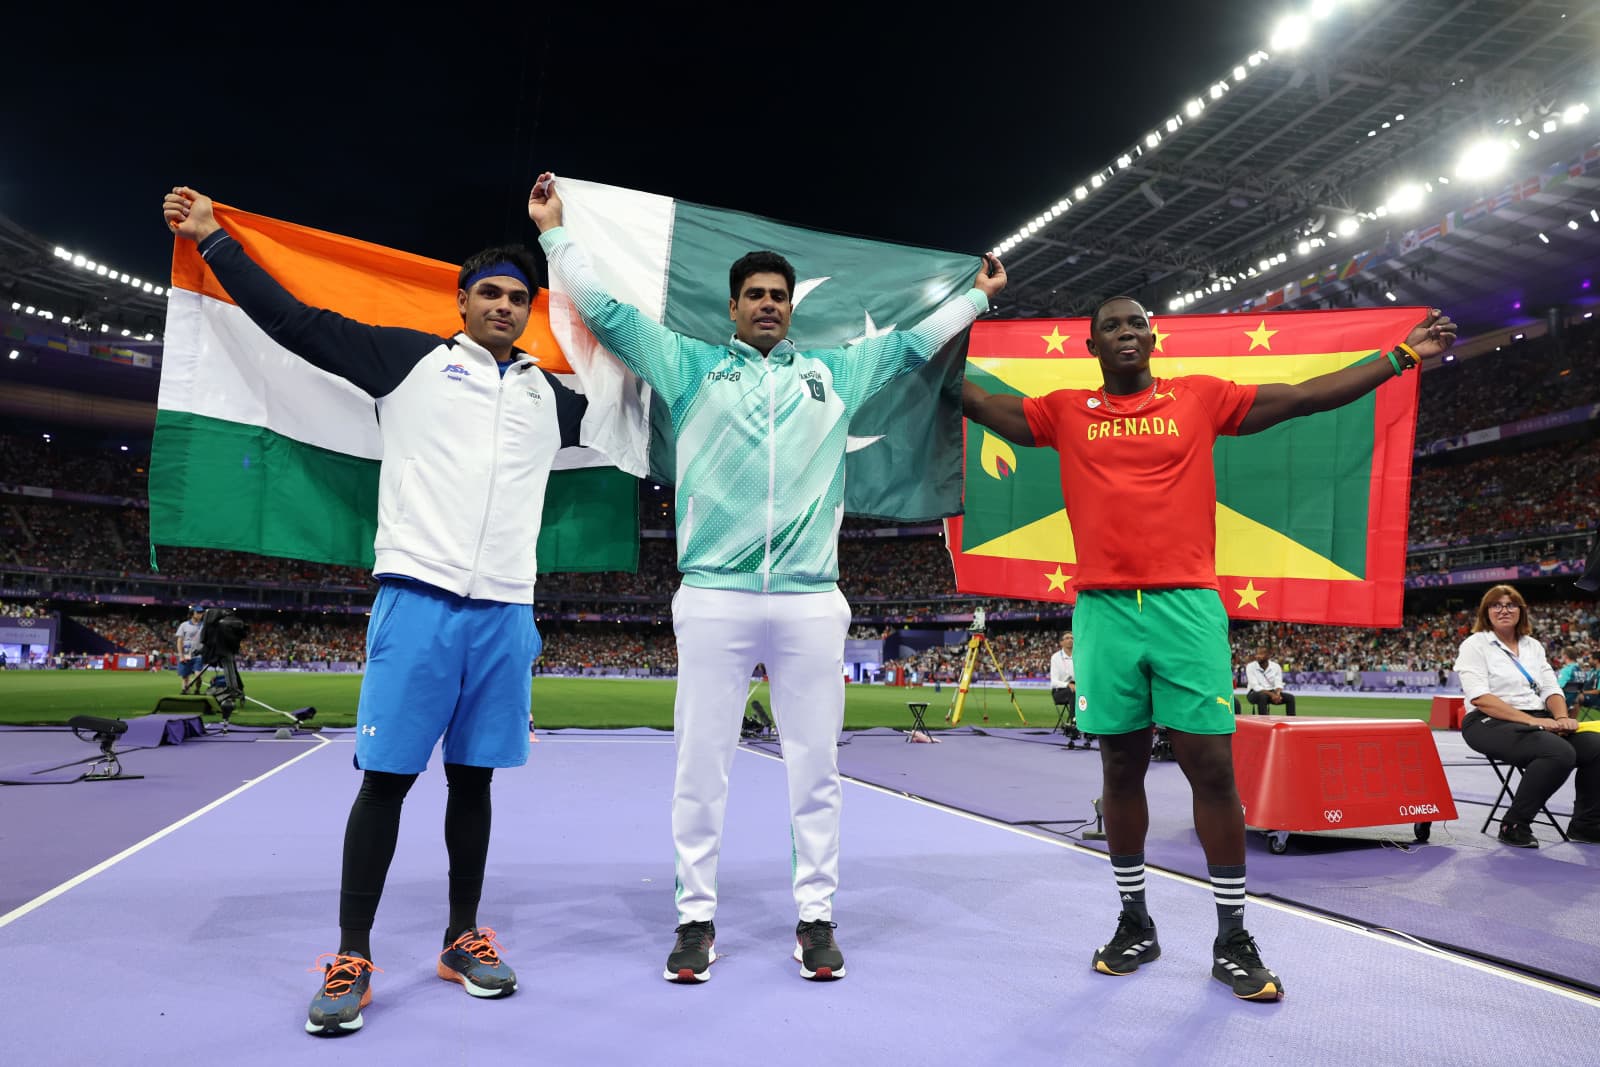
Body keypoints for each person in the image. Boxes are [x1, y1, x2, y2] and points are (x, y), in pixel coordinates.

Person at [528, 172, 1006, 984]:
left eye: (778, 294)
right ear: (732, 306)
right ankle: (694, 919)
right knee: (699, 766)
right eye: (753, 293)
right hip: (713, 593)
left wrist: (977, 298)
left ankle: (815, 917)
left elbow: (910, 345)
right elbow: (605, 313)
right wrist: (554, 233)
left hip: (812, 598)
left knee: (815, 765)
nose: (768, 304)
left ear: (792, 306)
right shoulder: (687, 365)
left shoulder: (834, 375)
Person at [163, 187, 590, 1035]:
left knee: (474, 783)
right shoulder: (410, 362)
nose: (505, 306)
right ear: (462, 303)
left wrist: (564, 240)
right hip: (418, 604)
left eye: (519, 297)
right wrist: (215, 243)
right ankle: (352, 951)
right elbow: (296, 323)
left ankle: (462, 936)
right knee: (386, 784)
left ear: (530, 311)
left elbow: (643, 381)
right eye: (491, 294)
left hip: (506, 614)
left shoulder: (558, 400)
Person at [962, 295, 1457, 1001]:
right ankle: (1135, 920)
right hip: (1102, 610)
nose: (1128, 332)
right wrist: (931, 336)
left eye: (1137, 322)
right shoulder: (1063, 410)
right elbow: (977, 401)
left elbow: (1304, 397)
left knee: (1212, 769)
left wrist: (1400, 356)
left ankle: (1232, 936)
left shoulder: (1197, 398)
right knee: (1120, 763)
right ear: (1090, 346)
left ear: (1153, 336)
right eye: (1112, 326)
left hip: (1186, 606)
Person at [1453, 585, 1599, 847]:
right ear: (1486, 612)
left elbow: (1550, 688)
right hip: (1488, 721)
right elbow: (1480, 698)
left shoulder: (1532, 646)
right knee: (1558, 752)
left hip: (1536, 718)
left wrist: (1561, 717)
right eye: (1496, 605)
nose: (1504, 610)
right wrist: (1535, 721)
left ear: (1521, 611)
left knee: (1596, 746)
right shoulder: (1475, 644)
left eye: (1511, 605)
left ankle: (1586, 825)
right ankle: (1514, 823)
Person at [1240, 646, 1296, 716]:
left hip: (1272, 693)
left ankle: (1291, 721)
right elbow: (1255, 686)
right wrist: (1272, 694)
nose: (1258, 656)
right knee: (1263, 696)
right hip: (1253, 693)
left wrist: (1277, 694)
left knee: (1290, 698)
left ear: (1268, 655)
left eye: (1261, 654)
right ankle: (1263, 722)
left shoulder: (1276, 666)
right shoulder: (1250, 666)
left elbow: (1278, 683)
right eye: (1257, 654)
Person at [175, 606, 205, 693]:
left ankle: (197, 689)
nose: (200, 615)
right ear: (192, 613)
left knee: (198, 675)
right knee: (185, 676)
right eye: (198, 613)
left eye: (201, 613)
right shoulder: (184, 625)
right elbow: (179, 641)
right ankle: (185, 690)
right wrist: (181, 655)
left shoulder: (204, 626)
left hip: (198, 655)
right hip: (186, 654)